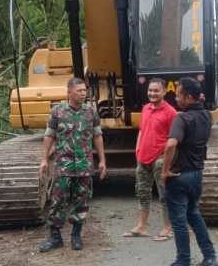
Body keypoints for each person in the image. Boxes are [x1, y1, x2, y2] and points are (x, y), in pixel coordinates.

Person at [38, 77, 108, 252]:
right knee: (58, 200)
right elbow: (49, 136)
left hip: (84, 165)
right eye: (80, 91)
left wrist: (102, 160)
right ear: (69, 92)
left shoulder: (91, 111)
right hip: (64, 165)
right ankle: (55, 237)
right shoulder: (58, 111)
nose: (83, 94)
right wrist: (44, 159)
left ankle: (76, 235)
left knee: (81, 200)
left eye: (85, 90)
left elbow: (97, 136)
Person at [159, 77, 218, 266]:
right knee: (193, 213)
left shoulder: (182, 118)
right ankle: (209, 256)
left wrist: (165, 170)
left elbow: (170, 144)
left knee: (178, 220)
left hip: (180, 175)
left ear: (189, 97)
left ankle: (182, 263)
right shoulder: (206, 116)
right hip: (196, 175)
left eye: (179, 94)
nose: (176, 98)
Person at [123, 78, 176, 241]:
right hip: (143, 158)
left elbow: (174, 140)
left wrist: (166, 161)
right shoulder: (145, 108)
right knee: (142, 192)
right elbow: (141, 131)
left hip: (159, 159)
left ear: (164, 91)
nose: (152, 94)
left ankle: (168, 228)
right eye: (150, 90)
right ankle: (142, 226)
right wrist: (138, 150)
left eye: (156, 91)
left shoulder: (170, 112)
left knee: (164, 195)